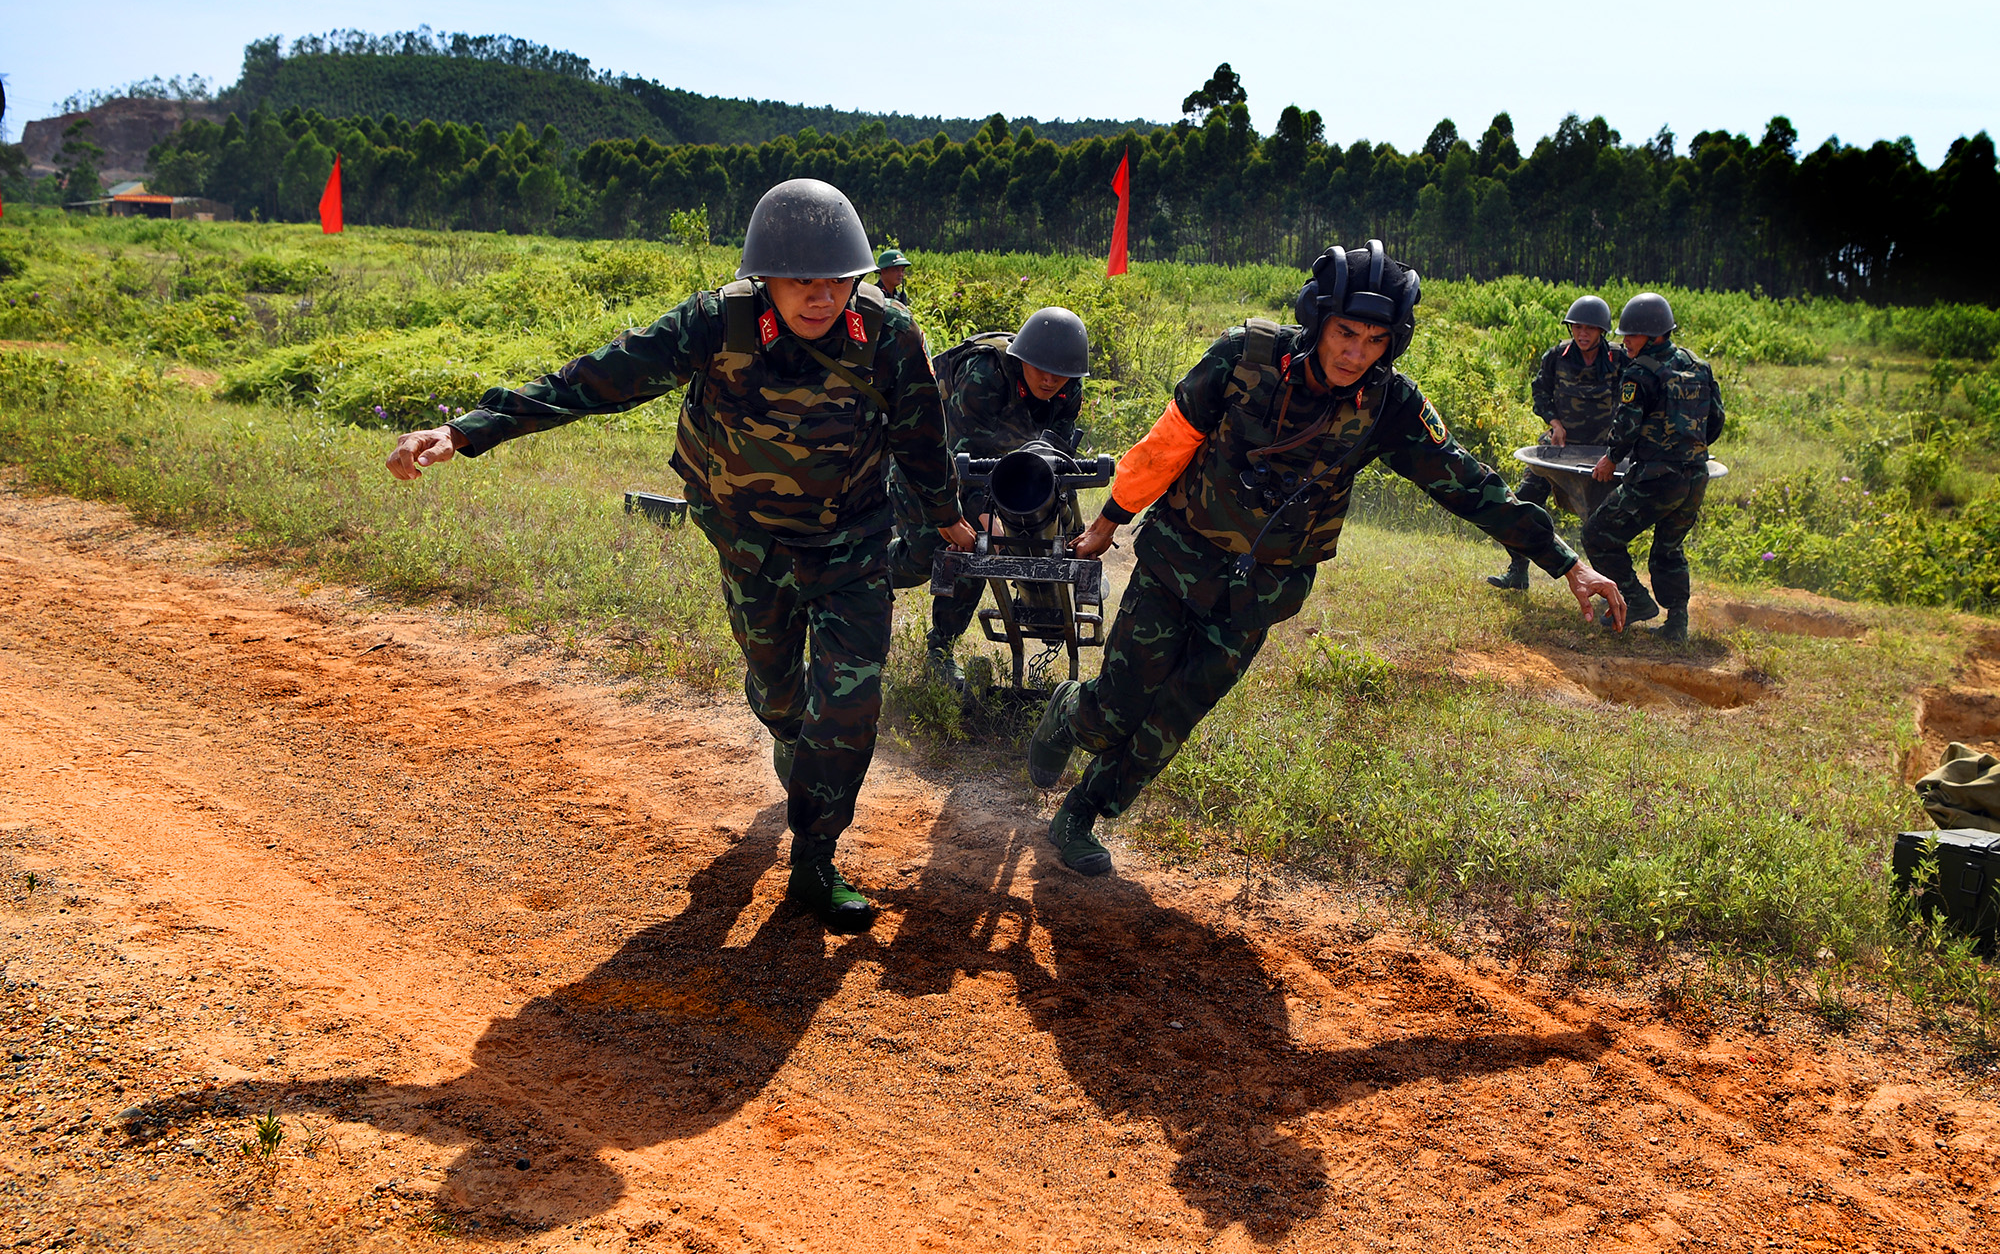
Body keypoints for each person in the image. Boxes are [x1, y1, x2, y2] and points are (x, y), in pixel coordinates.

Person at [384, 180, 974, 932]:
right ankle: (797, 746)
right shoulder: (714, 323)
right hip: (747, 538)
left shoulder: (890, 335)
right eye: (800, 280)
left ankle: (815, 857)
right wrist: (467, 432)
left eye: (837, 280)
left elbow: (922, 436)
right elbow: (596, 380)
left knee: (851, 703)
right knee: (782, 699)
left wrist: (947, 515)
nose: (820, 297)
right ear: (765, 278)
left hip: (851, 538)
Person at [1025, 241, 1628, 876]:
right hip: (1177, 562)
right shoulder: (1244, 358)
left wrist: (1568, 563)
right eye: (1345, 333)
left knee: (1170, 721)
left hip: (1258, 593)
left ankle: (1083, 813)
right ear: (1318, 321)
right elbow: (1171, 439)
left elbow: (1468, 484)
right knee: (1114, 711)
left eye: (1374, 340)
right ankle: (1069, 713)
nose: (1355, 353)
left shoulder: (1390, 404)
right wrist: (1109, 519)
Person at [887, 306, 1090, 689]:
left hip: (998, 474)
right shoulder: (985, 375)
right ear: (1021, 359)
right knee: (926, 554)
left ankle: (940, 649)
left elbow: (1055, 457)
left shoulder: (1068, 391)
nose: (1049, 379)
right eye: (1040, 368)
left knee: (985, 547)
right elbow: (960, 459)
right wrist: (984, 514)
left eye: (1060, 373)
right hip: (928, 468)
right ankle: (854, 579)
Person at [1586, 292, 1725, 642]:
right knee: (1669, 548)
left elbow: (1627, 426)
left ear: (1655, 335)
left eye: (1631, 335)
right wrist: (1690, 450)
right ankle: (1677, 623)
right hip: (1694, 477)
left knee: (1598, 534)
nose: (1625, 341)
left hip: (1656, 478)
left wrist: (1611, 458)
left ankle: (1634, 601)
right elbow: (1716, 422)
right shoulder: (1698, 366)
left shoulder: (1640, 372)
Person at [1487, 294, 1618, 590]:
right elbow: (1540, 392)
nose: (1582, 334)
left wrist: (1619, 443)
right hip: (1560, 446)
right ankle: (1518, 570)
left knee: (1604, 523)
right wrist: (1554, 423)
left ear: (1602, 332)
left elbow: (1633, 400)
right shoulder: (1557, 356)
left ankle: (1611, 585)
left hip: (1602, 453)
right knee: (1522, 502)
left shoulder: (1617, 359)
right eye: (1577, 327)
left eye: (1590, 328)